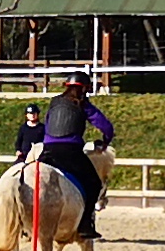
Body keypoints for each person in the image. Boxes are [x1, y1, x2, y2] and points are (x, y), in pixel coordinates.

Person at [30, 72, 115, 239]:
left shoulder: (54, 102)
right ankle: (85, 224)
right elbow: (105, 125)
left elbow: (49, 125)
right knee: (94, 183)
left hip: (47, 150)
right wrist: (105, 140)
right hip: (70, 151)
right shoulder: (83, 104)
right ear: (84, 88)